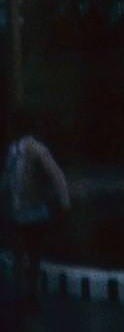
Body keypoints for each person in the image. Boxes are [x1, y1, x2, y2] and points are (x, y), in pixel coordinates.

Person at [3, 122, 70, 307]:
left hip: (32, 213)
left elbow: (56, 175)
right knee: (27, 255)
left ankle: (27, 295)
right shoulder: (15, 150)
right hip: (23, 212)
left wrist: (64, 201)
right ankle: (24, 295)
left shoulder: (34, 150)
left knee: (27, 255)